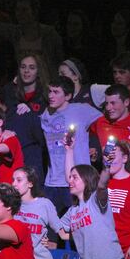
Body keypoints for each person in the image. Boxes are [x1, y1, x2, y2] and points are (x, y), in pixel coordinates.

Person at [63, 139, 125, 259]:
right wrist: (69, 150)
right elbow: (62, 232)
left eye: (75, 177)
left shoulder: (95, 201)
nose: (70, 180)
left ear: (87, 179)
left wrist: (106, 166)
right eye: (70, 177)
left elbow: (102, 184)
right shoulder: (72, 211)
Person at [40, 76, 103, 213]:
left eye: (56, 92)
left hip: (77, 181)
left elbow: (107, 121)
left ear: (68, 96)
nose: (51, 96)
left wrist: (96, 147)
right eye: (50, 91)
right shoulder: (46, 113)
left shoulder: (82, 110)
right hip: (52, 181)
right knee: (47, 226)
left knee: (77, 226)